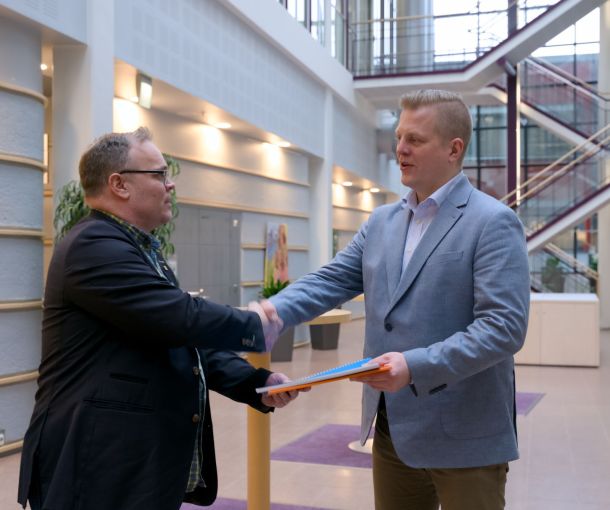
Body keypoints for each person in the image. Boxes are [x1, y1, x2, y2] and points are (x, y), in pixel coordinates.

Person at [262, 90, 530, 510]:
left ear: (453, 149)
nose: (400, 149)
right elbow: (331, 280)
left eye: (415, 140)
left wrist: (415, 365)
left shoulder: (492, 221)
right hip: (393, 429)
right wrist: (272, 311)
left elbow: (503, 329)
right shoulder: (382, 221)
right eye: (399, 137)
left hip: (466, 434)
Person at [17, 127, 294, 510]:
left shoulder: (137, 247)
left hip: (128, 466)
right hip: (94, 466)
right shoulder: (93, 245)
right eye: (160, 174)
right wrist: (253, 325)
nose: (171, 184)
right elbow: (179, 317)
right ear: (119, 184)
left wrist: (256, 383)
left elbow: (177, 339)